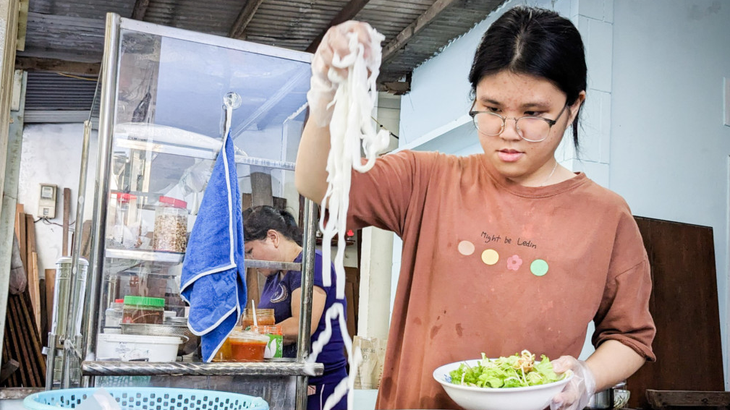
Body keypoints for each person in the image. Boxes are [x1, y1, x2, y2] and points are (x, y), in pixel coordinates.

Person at [295, 6, 655, 410]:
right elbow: (318, 186)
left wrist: (587, 377)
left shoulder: (605, 216)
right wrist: (325, 94)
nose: (509, 134)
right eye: (493, 110)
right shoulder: (426, 179)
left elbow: (631, 339)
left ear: (572, 107)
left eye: (533, 115)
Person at [243, 205, 348, 410]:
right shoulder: (275, 275)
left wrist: (249, 335)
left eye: (250, 251)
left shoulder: (312, 265)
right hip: (290, 382)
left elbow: (301, 326)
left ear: (273, 237)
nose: (249, 260)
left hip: (320, 386)